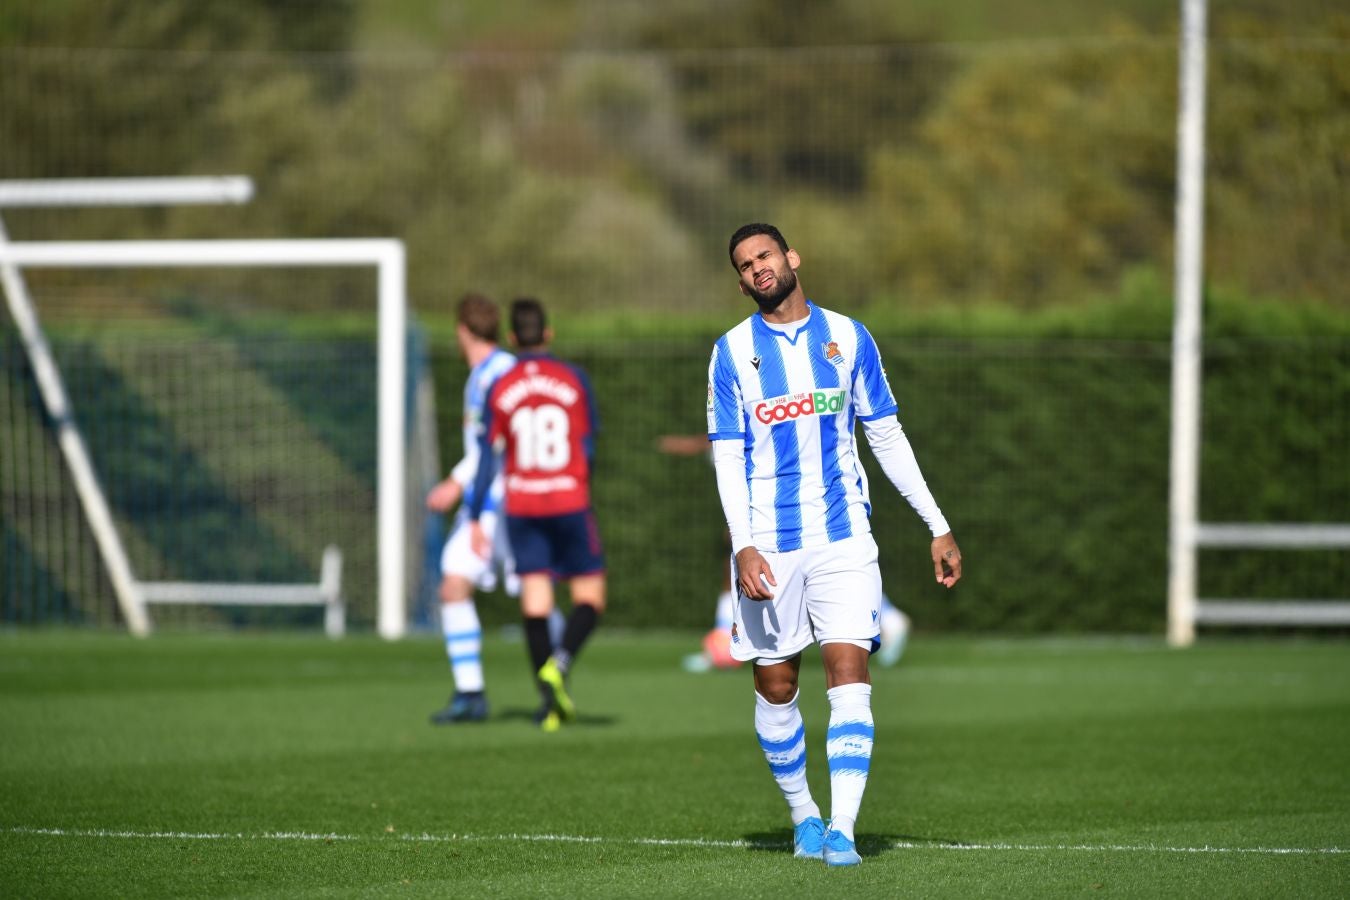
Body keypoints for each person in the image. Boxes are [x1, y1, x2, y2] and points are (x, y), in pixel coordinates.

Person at [706, 223, 962, 867]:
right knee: (776, 684)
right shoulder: (731, 353)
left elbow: (886, 435)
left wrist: (937, 523)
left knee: (849, 673)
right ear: (740, 282)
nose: (758, 268)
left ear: (792, 258)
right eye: (745, 264)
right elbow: (727, 456)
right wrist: (743, 546)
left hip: (845, 537)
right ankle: (805, 815)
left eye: (765, 254)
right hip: (768, 544)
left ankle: (843, 828)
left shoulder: (849, 337)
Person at [468, 298, 606, 732]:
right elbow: (588, 444)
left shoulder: (501, 384)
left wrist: (473, 515)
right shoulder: (573, 378)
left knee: (536, 604)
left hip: (522, 505)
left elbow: (487, 460)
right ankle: (559, 666)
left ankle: (548, 704)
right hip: (568, 500)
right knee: (590, 598)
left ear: (512, 338)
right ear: (548, 334)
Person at [427, 293, 518, 724]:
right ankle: (473, 692)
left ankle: (473, 693)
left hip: (498, 502)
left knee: (530, 594)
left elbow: (494, 446)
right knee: (461, 584)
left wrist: (458, 484)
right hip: (502, 500)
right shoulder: (491, 372)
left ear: (462, 330)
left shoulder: (494, 376)